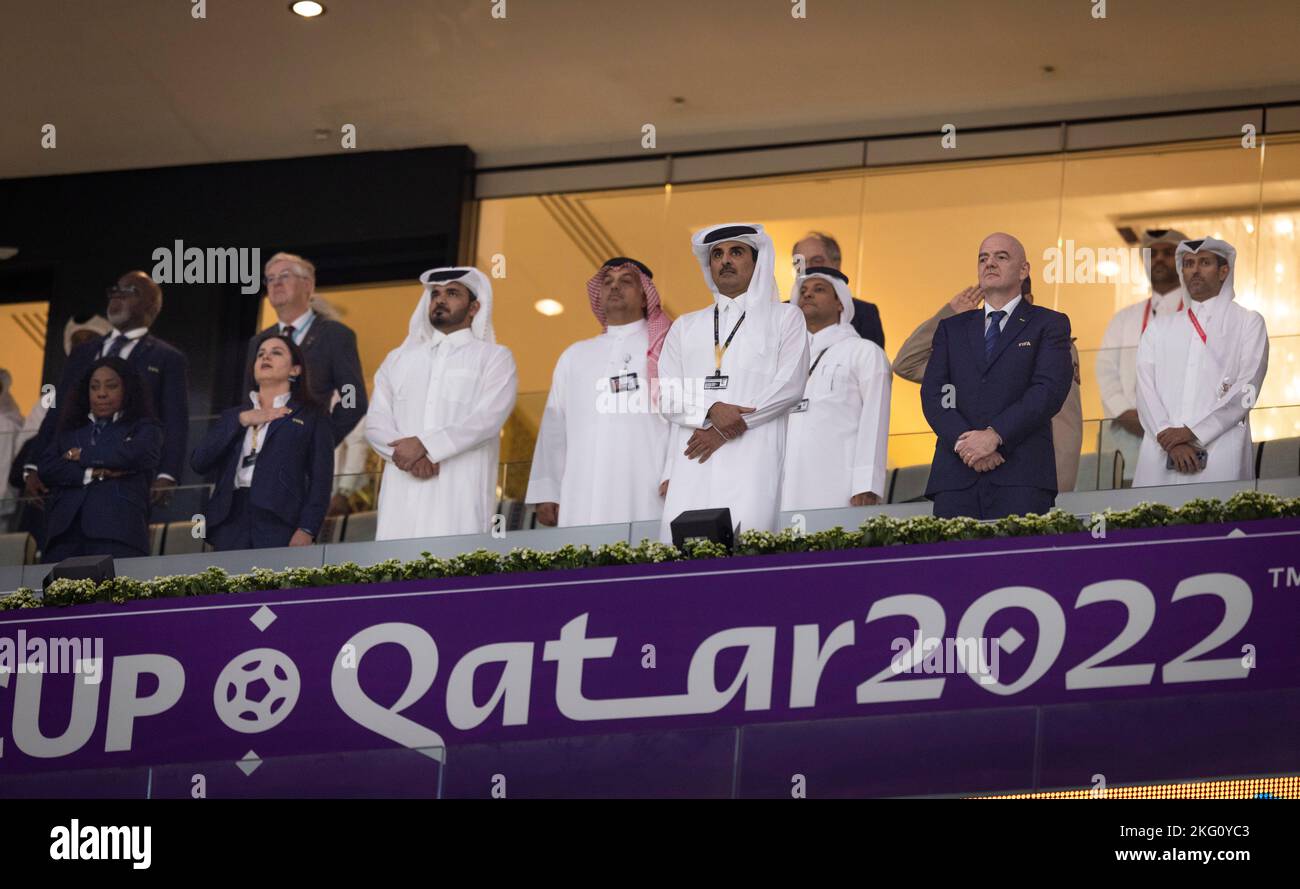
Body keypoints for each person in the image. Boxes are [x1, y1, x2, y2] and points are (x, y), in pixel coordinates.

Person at [657, 223, 808, 543]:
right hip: (692, 463)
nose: (725, 260)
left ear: (757, 262)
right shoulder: (685, 325)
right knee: (680, 561)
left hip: (753, 460)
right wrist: (711, 409)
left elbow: (789, 386)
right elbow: (666, 395)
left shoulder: (785, 318)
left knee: (749, 556)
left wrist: (726, 428)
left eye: (736, 252)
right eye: (717, 254)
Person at [920, 233, 1074, 519]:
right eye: (983, 258)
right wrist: (964, 444)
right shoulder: (951, 329)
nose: (989, 263)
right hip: (956, 475)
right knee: (955, 563)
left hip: (1021, 473)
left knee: (1017, 563)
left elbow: (1047, 391)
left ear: (1024, 270)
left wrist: (996, 436)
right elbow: (934, 395)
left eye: (1001, 257)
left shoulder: (1049, 323)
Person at [366, 266, 518, 540]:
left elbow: (486, 420)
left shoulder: (494, 357)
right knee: (393, 570)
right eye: (435, 294)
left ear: (474, 308)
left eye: (452, 293)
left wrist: (425, 446)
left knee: (454, 568)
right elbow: (376, 422)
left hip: (459, 492)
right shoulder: (398, 359)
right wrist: (408, 456)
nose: (440, 300)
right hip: (401, 494)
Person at [896, 276, 1083, 492]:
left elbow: (1065, 424)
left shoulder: (1051, 341)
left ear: (1028, 299)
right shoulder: (962, 348)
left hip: (1027, 477)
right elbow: (907, 363)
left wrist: (1059, 486)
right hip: (967, 475)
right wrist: (950, 313)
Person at [23, 273, 189, 510]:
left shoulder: (167, 358)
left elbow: (175, 421)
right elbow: (57, 410)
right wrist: (33, 465)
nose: (116, 297)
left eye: (128, 291)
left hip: (128, 478)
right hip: (69, 476)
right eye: (114, 291)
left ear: (151, 305)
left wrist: (168, 474)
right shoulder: (83, 353)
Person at [527, 257, 672, 527]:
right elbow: (553, 428)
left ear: (645, 297)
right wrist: (547, 492)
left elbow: (683, 417)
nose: (614, 287)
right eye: (607, 282)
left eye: (626, 281)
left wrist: (675, 470)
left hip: (646, 485)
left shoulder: (666, 346)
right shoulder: (575, 355)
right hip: (580, 490)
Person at [1134, 237, 1268, 486]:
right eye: (1188, 264)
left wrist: (1193, 433)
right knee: (1151, 521)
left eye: (1204, 262)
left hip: (1222, 447)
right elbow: (1144, 389)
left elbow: (1248, 386)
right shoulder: (1159, 328)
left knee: (1219, 521)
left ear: (1223, 271)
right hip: (1161, 449)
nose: (1194, 270)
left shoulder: (1248, 322)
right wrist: (1167, 436)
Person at [191, 334, 334, 550]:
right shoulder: (234, 416)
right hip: (229, 520)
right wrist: (242, 420)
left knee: (272, 584)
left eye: (276, 352)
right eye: (260, 354)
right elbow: (199, 462)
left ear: (295, 370)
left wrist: (307, 529)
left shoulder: (312, 415)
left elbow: (321, 480)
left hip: (280, 519)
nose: (266, 357)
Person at [781, 267, 892, 511]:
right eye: (803, 291)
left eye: (819, 289)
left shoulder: (864, 351)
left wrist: (867, 484)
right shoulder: (784, 359)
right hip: (783, 487)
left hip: (839, 487)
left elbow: (875, 419)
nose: (807, 295)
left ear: (840, 303)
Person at [37, 357, 162, 562]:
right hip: (64, 535)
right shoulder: (70, 430)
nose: (101, 394)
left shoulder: (145, 427)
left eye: (111, 386)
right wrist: (93, 472)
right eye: (94, 387)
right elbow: (47, 467)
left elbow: (140, 454)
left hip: (118, 533)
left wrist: (83, 456)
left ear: (127, 389)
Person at [242, 252, 368, 445]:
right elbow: (249, 400)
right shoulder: (259, 341)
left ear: (308, 285)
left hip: (306, 454)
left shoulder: (335, 335)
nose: (276, 283)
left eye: (284, 276)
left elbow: (352, 395)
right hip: (261, 450)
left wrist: (323, 439)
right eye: (270, 279)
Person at [1096, 229, 1190, 482]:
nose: (1159, 259)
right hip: (1129, 439)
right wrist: (1127, 413)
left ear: (1184, 261)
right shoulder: (1124, 319)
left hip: (1186, 438)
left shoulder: (1200, 314)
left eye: (1168, 253)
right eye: (1153, 253)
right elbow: (1105, 372)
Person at [790, 232, 886, 349]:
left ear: (836, 264)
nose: (808, 267)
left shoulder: (863, 313)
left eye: (817, 260)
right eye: (800, 262)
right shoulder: (782, 312)